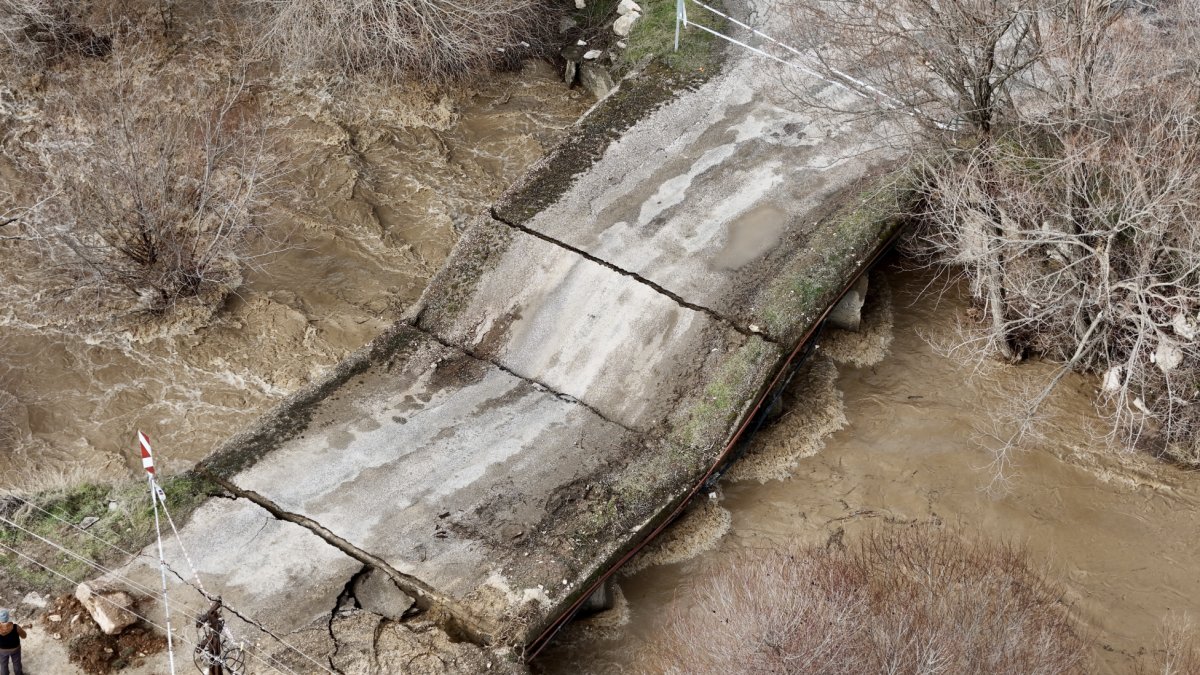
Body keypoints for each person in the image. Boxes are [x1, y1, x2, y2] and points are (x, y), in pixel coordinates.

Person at [0, 609, 26, 675]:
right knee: (17, 663)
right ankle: (18, 673)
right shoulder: (16, 627)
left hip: (2, 650)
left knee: (3, 664)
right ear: (8, 617)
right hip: (15, 649)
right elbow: (24, 636)